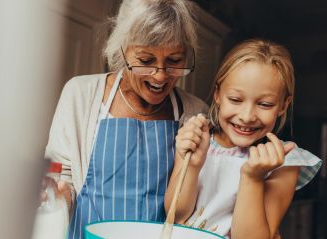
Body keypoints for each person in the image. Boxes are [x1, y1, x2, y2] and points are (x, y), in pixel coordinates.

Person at [42, 0, 208, 238]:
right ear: (121, 50)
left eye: (174, 61)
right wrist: (55, 196)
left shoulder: (194, 111)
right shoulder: (81, 94)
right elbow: (62, 177)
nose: (160, 75)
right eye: (146, 60)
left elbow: (190, 208)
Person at [165, 38, 323, 239]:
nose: (247, 116)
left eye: (265, 104)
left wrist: (252, 177)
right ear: (218, 95)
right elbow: (176, 215)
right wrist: (193, 166)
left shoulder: (285, 161)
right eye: (235, 100)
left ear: (283, 105)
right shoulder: (198, 137)